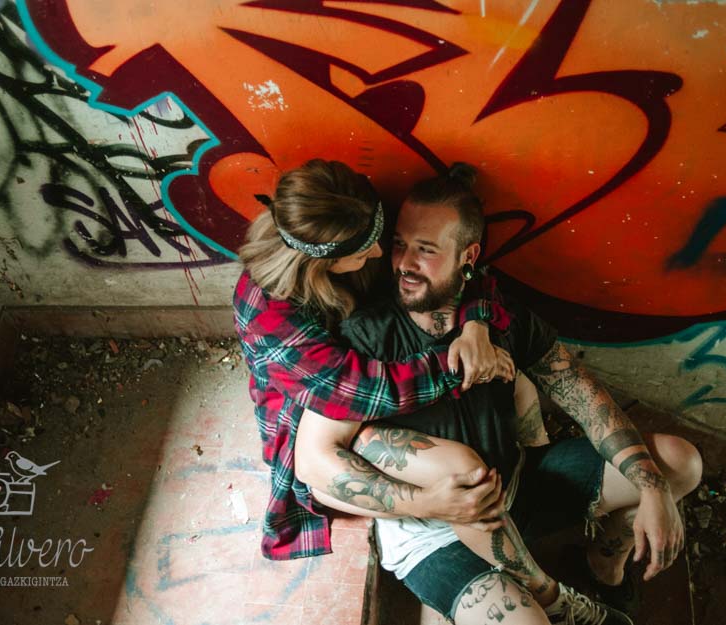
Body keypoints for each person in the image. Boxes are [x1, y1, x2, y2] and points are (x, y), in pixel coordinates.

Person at [294, 163, 703, 625]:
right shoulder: (368, 334)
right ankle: (528, 596)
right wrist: (424, 503)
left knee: (678, 464)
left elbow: (584, 397)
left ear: (468, 256)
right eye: (400, 245)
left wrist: (652, 487)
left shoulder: (497, 317)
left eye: (426, 250)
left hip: (516, 482)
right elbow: (313, 459)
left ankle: (602, 565)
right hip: (432, 531)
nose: (404, 263)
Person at [233, 159, 516, 560]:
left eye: (384, 239)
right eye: (368, 249)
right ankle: (424, 521)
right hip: (318, 417)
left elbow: (459, 272)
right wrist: (458, 369)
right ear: (324, 264)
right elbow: (359, 391)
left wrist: (476, 325)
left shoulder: (356, 224)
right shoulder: (268, 313)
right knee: (450, 476)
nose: (383, 253)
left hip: (378, 375)